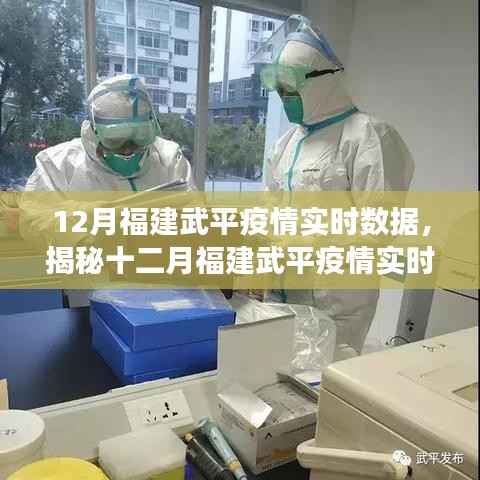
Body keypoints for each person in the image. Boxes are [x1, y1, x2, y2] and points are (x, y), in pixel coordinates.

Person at [261, 16, 415, 356]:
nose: (284, 97)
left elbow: (379, 228)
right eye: (280, 90)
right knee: (273, 373)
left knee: (325, 379)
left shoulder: (368, 136)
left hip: (335, 304)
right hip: (280, 295)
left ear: (322, 81)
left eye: (290, 88)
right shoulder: (286, 144)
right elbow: (272, 211)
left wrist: (306, 245)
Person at [25, 74, 195, 192]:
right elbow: (36, 221)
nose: (128, 151)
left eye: (139, 139)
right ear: (94, 132)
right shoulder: (57, 165)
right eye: (115, 141)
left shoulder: (169, 158)